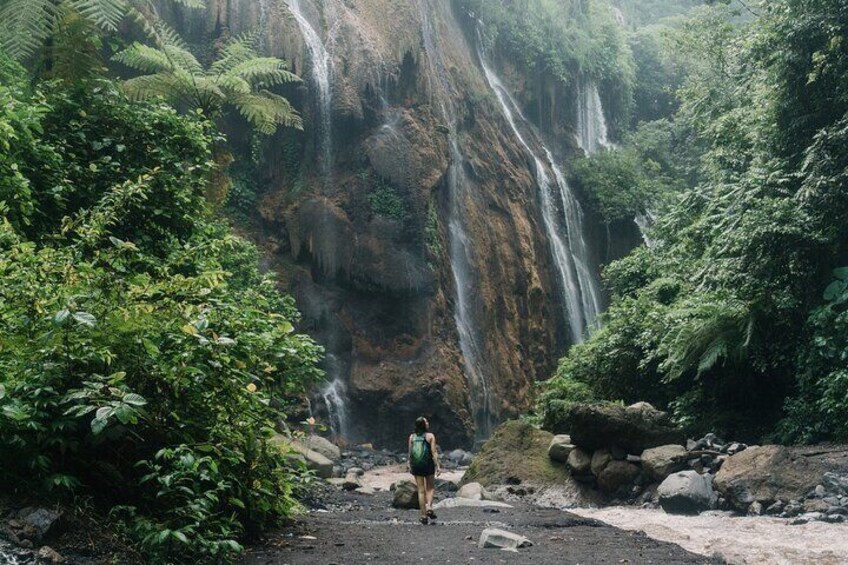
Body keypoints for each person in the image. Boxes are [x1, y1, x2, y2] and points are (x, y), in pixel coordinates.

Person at [408, 416, 441, 524]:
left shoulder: (412, 437)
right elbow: (434, 452)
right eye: (426, 422)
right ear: (423, 424)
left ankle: (423, 515)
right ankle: (429, 508)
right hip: (427, 464)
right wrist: (438, 466)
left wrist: (410, 465)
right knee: (430, 488)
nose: (428, 423)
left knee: (421, 490)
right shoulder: (430, 436)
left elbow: (410, 453)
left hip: (416, 465)